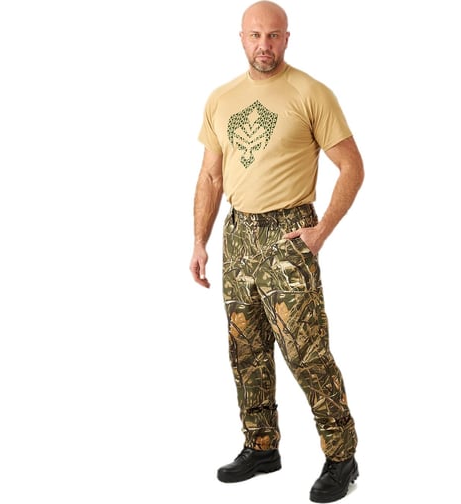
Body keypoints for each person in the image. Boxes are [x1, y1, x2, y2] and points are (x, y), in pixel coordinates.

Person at [189, 1, 364, 502]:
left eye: (273, 35)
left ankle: (342, 457)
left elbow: (352, 166)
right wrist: (199, 240)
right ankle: (261, 446)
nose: (263, 45)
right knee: (245, 349)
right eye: (255, 35)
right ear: (241, 38)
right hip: (238, 234)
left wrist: (322, 230)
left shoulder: (311, 93)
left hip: (288, 233)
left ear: (287, 38)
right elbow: (210, 176)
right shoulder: (221, 99)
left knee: (305, 351)